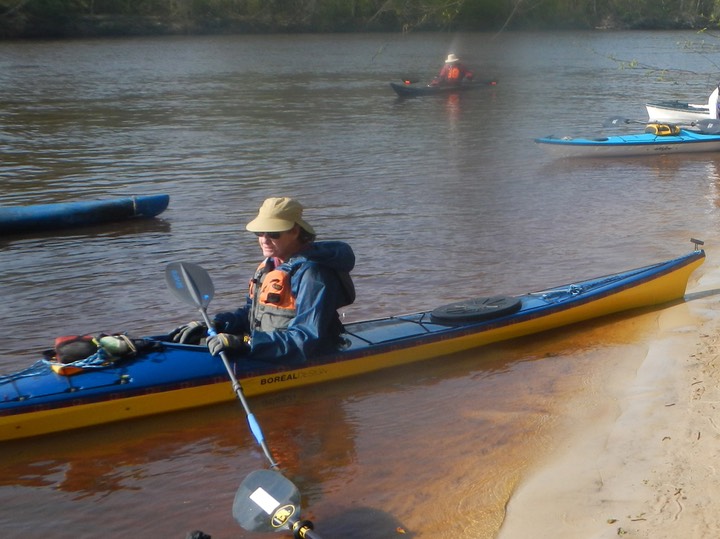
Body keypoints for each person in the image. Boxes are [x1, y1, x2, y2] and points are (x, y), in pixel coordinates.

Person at [169, 197, 355, 363]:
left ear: (295, 232)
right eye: (260, 233)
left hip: (305, 355)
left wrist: (246, 343)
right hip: (268, 348)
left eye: (273, 234)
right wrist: (215, 325)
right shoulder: (270, 265)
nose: (264, 239)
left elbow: (306, 338)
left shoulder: (313, 275)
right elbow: (252, 313)